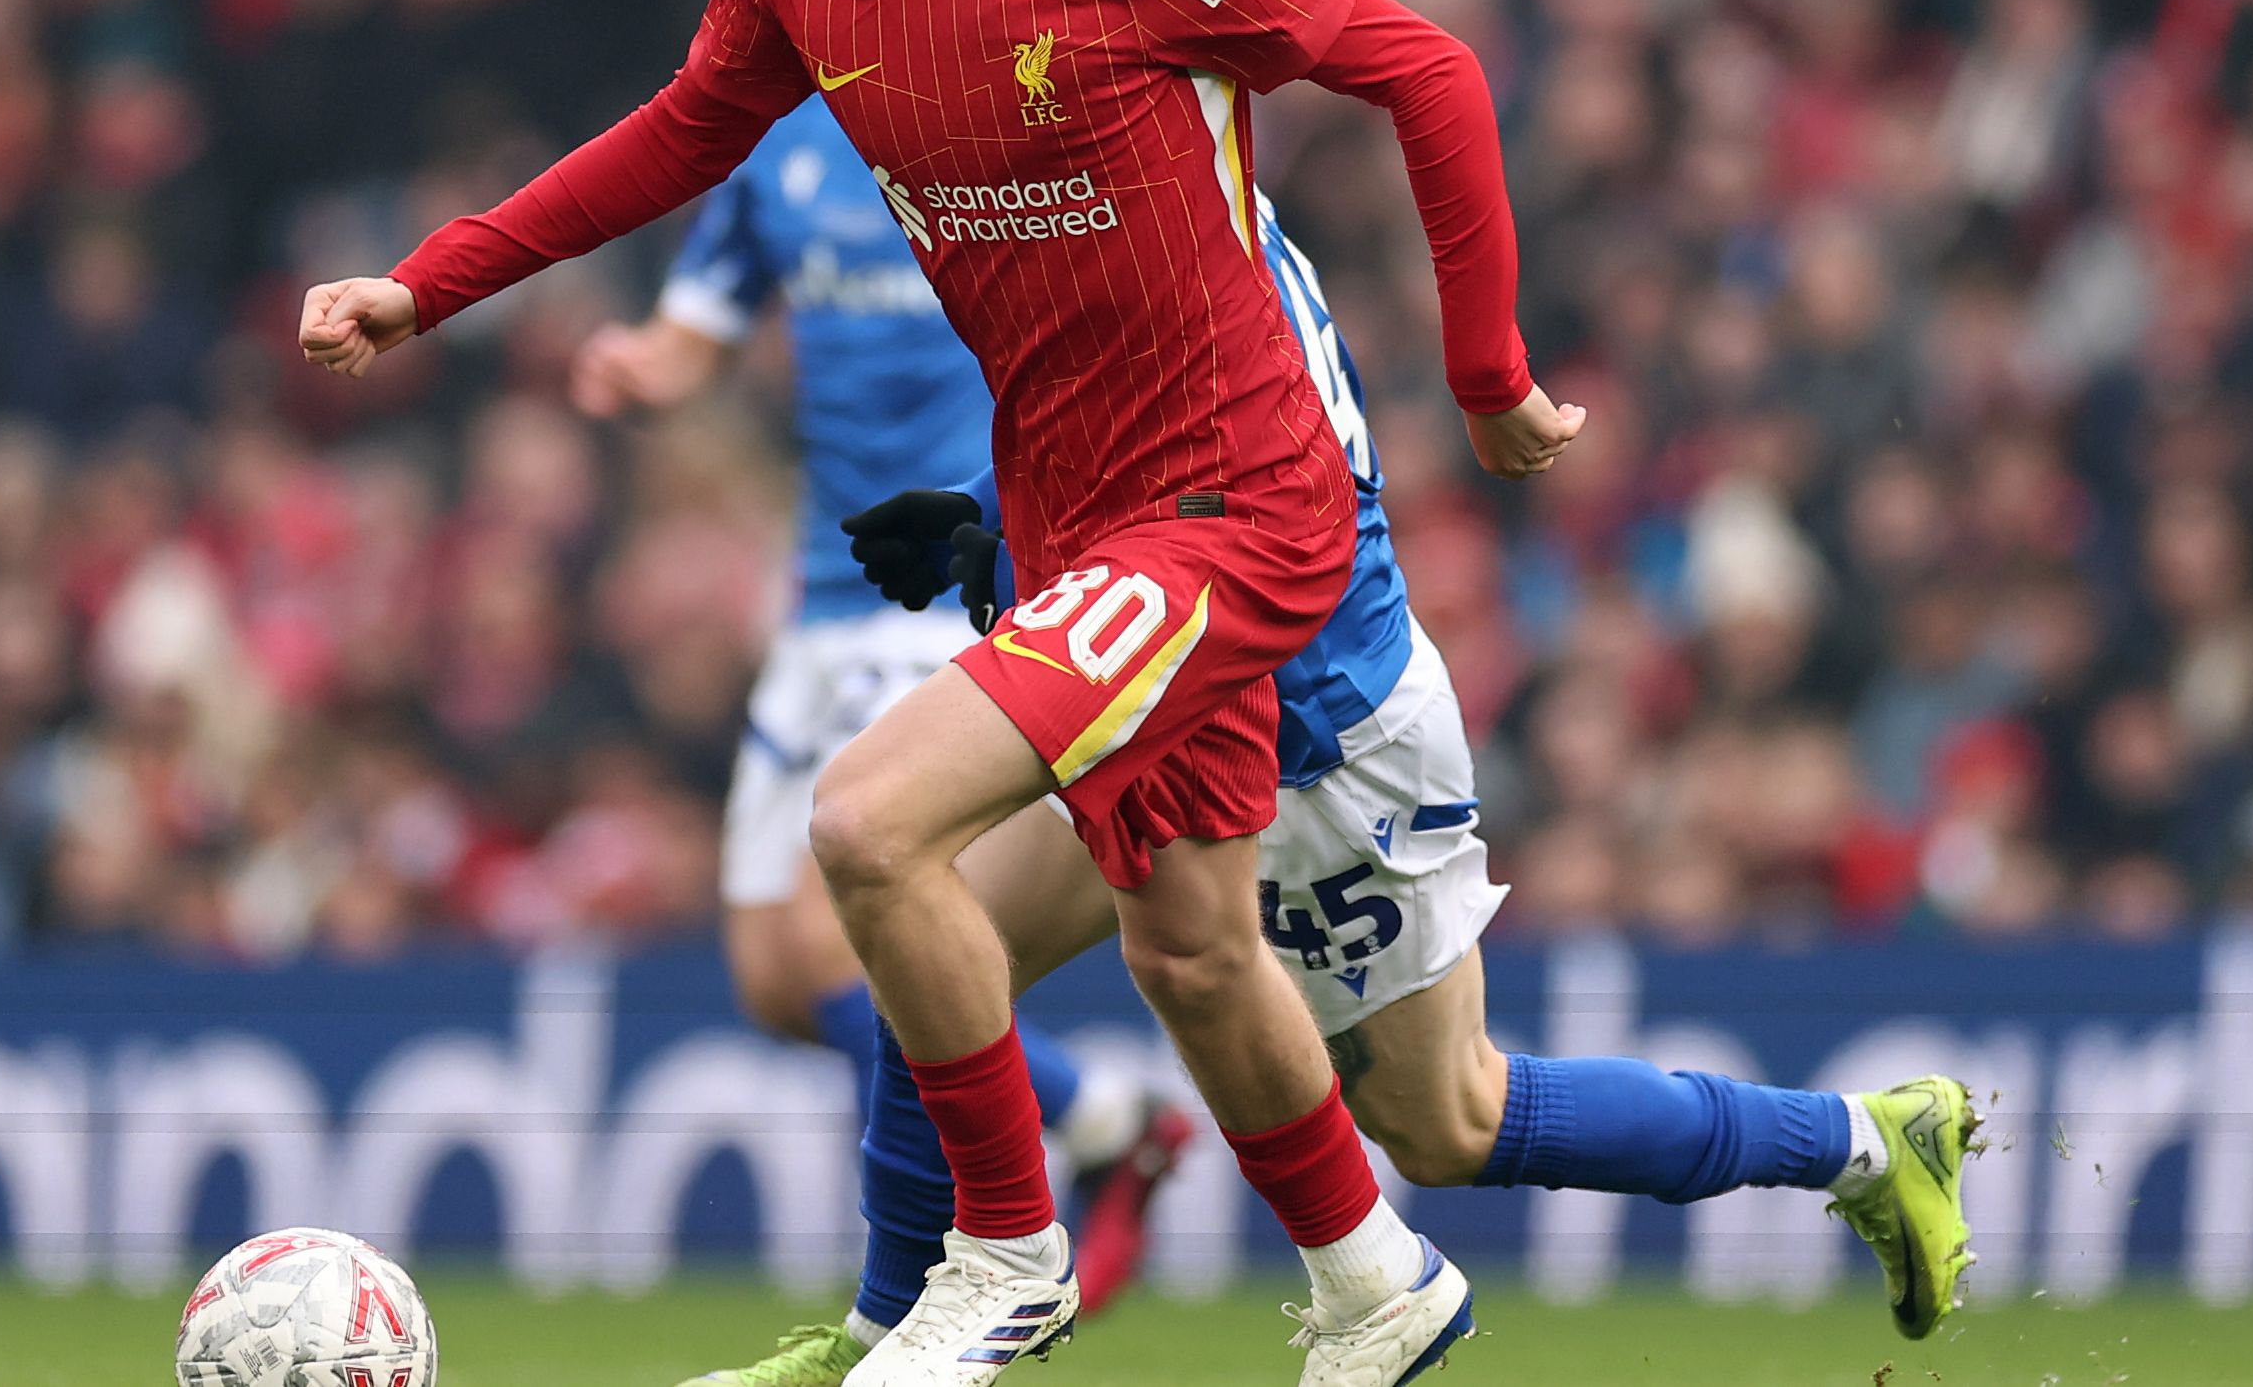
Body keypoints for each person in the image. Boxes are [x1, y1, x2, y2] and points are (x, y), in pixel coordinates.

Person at [305, 0, 1561, 1378]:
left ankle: (1003, 1252)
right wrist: (428, 282)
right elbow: (677, 132)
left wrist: (1490, 383)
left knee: (869, 827)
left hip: (1230, 506)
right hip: (1074, 517)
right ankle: (1378, 1284)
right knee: (1193, 951)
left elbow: (1425, 71)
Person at [692, 202, 1981, 1387]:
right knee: (935, 930)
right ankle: (888, 1319)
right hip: (1183, 681)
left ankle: (1860, 1139)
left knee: (1445, 1115)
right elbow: (1138, 456)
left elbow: (1230, 487)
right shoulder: (1169, 195)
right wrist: (991, 513)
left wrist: (1011, 533)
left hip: (1314, 723)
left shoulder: (1167, 224)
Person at [570, 96, 1194, 1323]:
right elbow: (694, 334)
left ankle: (997, 1219)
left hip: (949, 575)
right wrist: (638, 366)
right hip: (820, 596)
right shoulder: (773, 157)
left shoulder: (1002, 128)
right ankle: (1107, 1115)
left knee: (833, 941)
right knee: (772, 976)